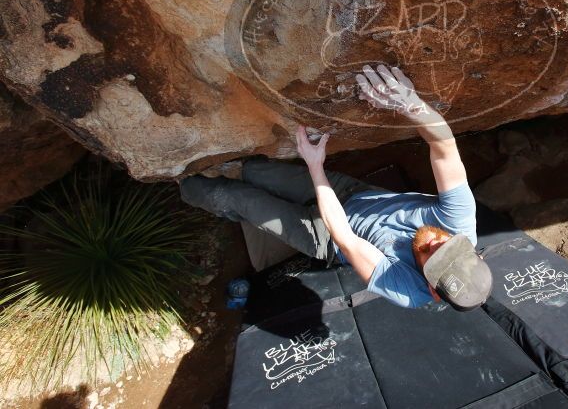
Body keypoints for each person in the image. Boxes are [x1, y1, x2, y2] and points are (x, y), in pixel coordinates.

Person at [180, 64, 492, 310]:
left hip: (325, 236)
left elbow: (345, 239)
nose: (436, 243)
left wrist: (316, 165)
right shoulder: (459, 220)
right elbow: (445, 149)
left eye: (432, 258)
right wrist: (411, 104)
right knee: (259, 171)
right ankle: (231, 170)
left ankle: (186, 184)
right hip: (351, 194)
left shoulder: (407, 291)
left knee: (238, 198)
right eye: (448, 245)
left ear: (431, 292)